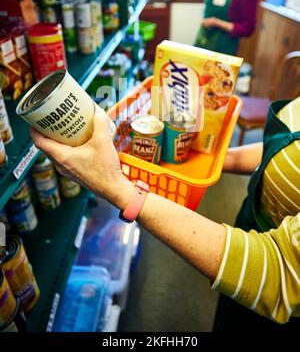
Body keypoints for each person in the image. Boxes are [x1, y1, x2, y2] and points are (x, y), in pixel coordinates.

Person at [30, 96, 300, 331]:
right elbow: (285, 147)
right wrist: (219, 160)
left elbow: (280, 272)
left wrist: (116, 189)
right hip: (252, 218)